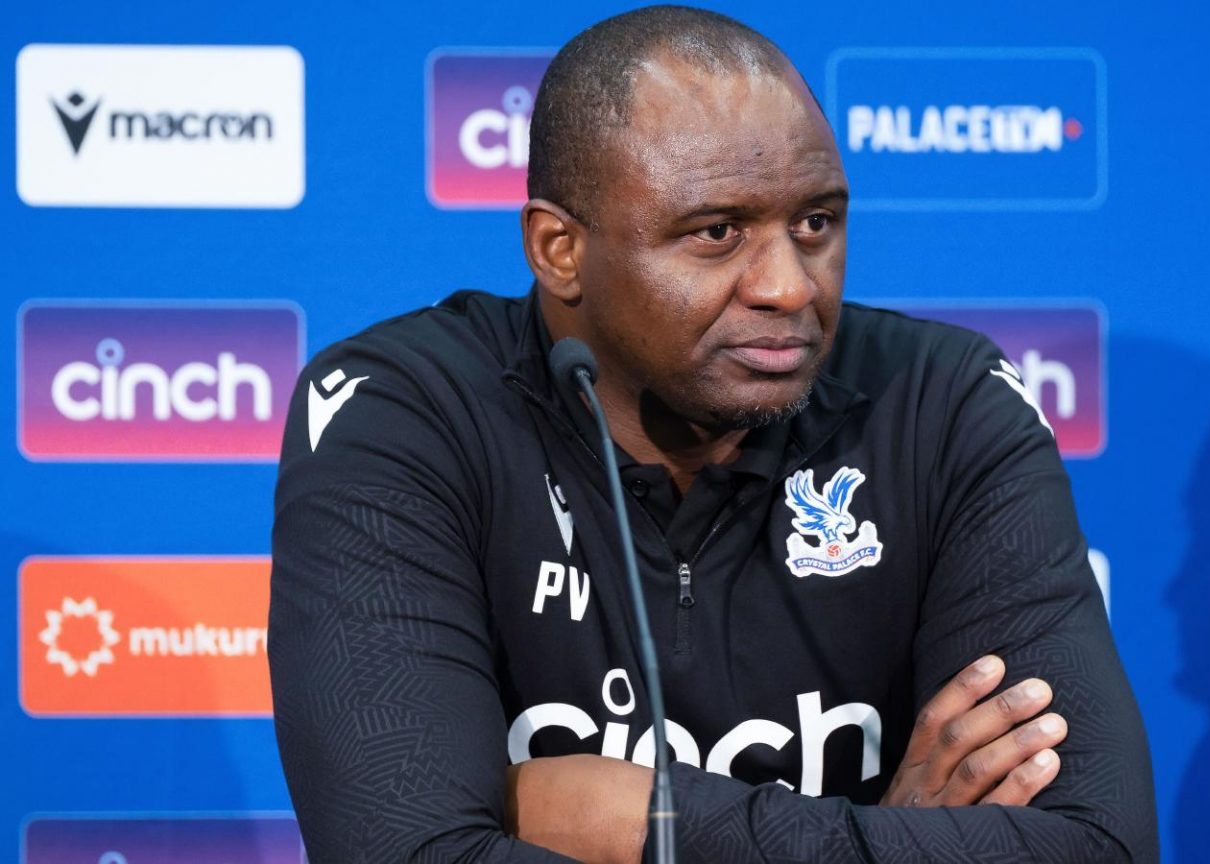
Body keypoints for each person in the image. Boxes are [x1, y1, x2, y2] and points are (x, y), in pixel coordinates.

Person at [269, 6, 1156, 861]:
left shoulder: (939, 403)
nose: (789, 287)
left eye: (815, 223)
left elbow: (1100, 844)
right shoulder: (405, 411)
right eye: (717, 232)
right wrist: (895, 840)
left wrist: (637, 823)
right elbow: (410, 850)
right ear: (559, 251)